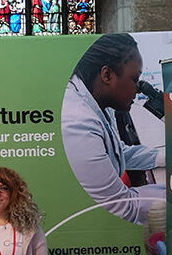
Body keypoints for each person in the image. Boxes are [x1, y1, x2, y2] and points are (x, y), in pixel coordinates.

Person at [62, 33, 165, 225]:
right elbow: (121, 207)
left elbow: (116, 153)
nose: (138, 89)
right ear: (107, 75)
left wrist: (169, 157)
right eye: (135, 79)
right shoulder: (77, 122)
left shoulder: (98, 103)